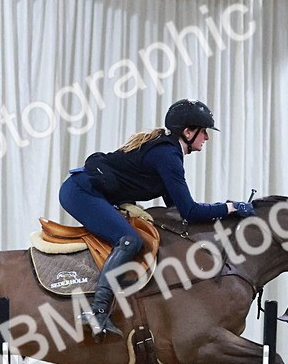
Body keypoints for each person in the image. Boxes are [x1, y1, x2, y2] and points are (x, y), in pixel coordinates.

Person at [59, 99, 256, 341]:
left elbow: (176, 210)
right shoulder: (167, 155)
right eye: (204, 132)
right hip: (80, 192)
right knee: (130, 240)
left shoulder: (169, 152)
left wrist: (226, 213)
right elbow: (190, 211)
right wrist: (230, 207)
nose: (207, 138)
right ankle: (97, 312)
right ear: (188, 132)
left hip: (90, 192)